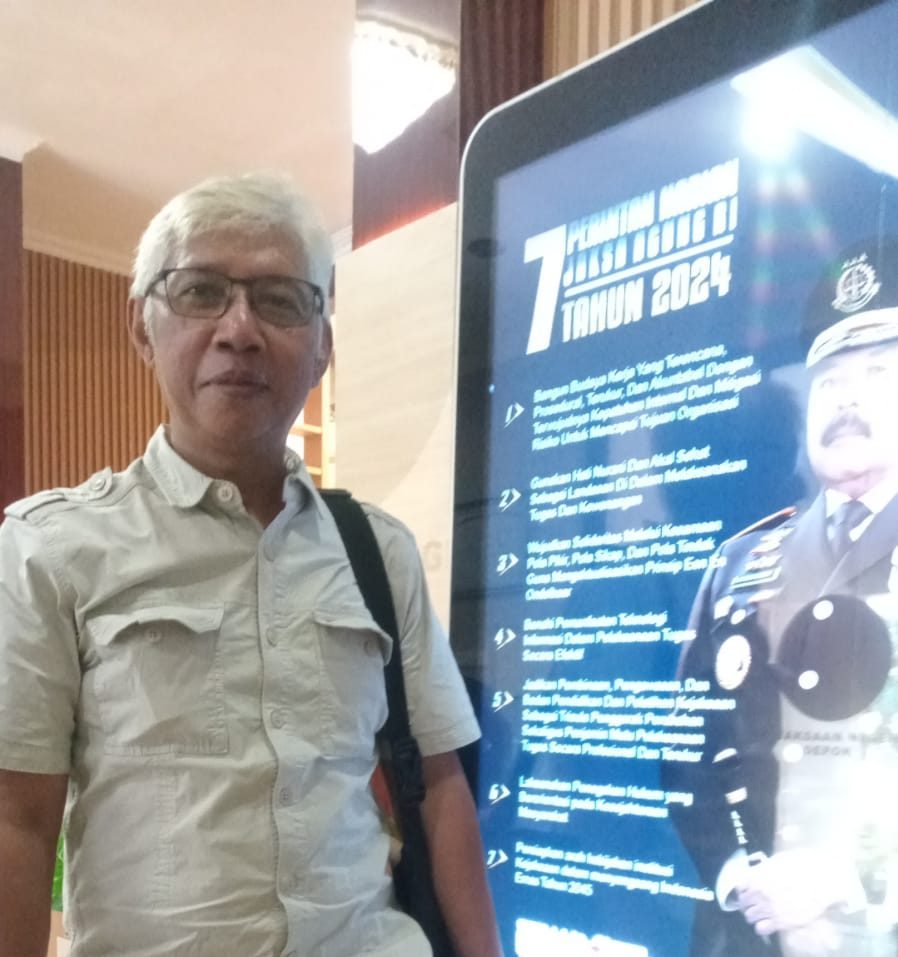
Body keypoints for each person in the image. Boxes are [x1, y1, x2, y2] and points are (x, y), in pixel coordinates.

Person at [0, 172, 503, 957]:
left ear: (323, 344)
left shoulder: (379, 551)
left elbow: (440, 790)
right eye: (201, 291)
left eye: (280, 300)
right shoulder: (50, 548)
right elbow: (18, 819)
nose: (239, 329)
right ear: (142, 326)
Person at [669, 247, 898, 957]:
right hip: (750, 936)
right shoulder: (739, 564)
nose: (847, 401)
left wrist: (850, 875)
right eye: (830, 380)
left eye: (878, 374)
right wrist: (739, 876)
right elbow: (689, 748)